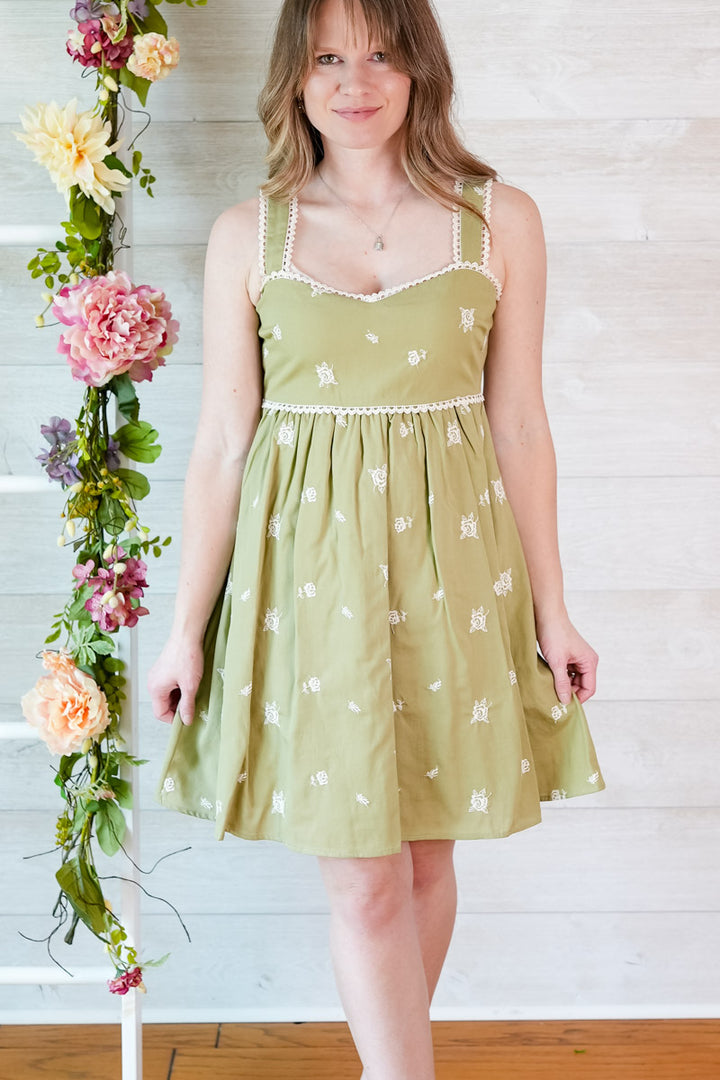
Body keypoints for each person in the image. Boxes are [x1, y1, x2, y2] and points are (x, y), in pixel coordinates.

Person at [148, 0, 606, 1075]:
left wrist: (554, 609)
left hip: (455, 566)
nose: (356, 80)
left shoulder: (501, 220)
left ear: (419, 70)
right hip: (304, 582)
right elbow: (221, 440)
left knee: (428, 854)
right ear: (295, 80)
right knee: (362, 874)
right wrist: (183, 630)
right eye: (328, 58)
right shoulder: (245, 236)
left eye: (382, 54)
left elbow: (521, 424)